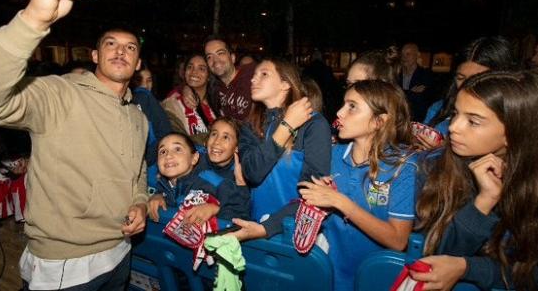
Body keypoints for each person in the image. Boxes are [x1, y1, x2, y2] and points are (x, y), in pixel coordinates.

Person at [0, 0, 149, 290]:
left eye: (130, 47)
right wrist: (34, 18)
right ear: (95, 56)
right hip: (65, 264)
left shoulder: (137, 115)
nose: (121, 50)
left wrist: (141, 203)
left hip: (119, 251)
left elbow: (137, 171)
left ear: (138, 62)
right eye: (111, 44)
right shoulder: (61, 94)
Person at [230, 80, 418, 291]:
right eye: (343, 104)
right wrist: (265, 228)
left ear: (379, 121)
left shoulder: (403, 166)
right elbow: (302, 201)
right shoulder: (332, 155)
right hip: (324, 274)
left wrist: (339, 201)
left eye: (352, 107)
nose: (339, 112)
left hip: (375, 280)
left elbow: (398, 240)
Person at [413, 71, 538, 290]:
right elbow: (436, 257)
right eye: (455, 114)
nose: (453, 127)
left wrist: (468, 267)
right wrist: (482, 203)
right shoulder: (432, 167)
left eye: (473, 121)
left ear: (514, 131)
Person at [239, 56, 331, 221]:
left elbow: (312, 192)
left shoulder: (313, 124)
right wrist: (286, 126)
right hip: (254, 225)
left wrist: (269, 227)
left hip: (294, 231)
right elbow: (252, 172)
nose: (253, 79)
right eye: (254, 74)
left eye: (264, 74)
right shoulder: (251, 126)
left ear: (285, 83)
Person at [421, 36, 523, 148]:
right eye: (461, 78)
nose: (467, 87)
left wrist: (445, 150)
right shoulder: (438, 108)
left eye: (478, 80)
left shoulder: (514, 116)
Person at [147, 132, 249, 222]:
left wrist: (215, 210)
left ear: (194, 158)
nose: (168, 156)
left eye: (177, 149)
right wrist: (157, 196)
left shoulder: (211, 181)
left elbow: (241, 210)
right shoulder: (161, 185)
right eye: (163, 151)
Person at [162, 54, 217, 144]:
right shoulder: (172, 105)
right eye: (190, 67)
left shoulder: (218, 104)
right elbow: (178, 141)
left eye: (201, 68)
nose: (194, 72)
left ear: (209, 76)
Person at [203, 36, 255, 121]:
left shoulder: (251, 73)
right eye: (209, 57)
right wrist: (185, 88)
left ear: (233, 58)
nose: (215, 60)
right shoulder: (214, 88)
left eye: (220, 53)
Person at [397, 43, 435, 122]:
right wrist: (411, 92)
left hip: (417, 121)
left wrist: (402, 93)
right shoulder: (396, 74)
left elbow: (423, 100)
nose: (404, 57)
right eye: (402, 54)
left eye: (408, 54)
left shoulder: (425, 75)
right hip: (398, 119)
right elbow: (393, 96)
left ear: (417, 55)